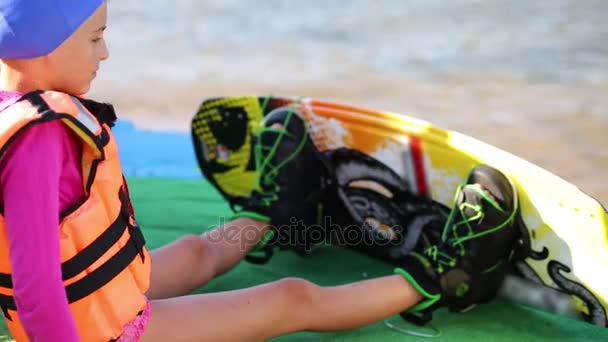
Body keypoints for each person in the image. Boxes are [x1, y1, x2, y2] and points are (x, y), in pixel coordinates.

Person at [0, 1, 520, 341]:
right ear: (44, 44)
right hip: (98, 332)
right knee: (290, 299)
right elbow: (34, 286)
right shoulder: (38, 137)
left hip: (97, 295)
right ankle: (447, 277)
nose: (105, 51)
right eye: (94, 37)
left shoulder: (12, 109)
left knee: (194, 253)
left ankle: (276, 212)